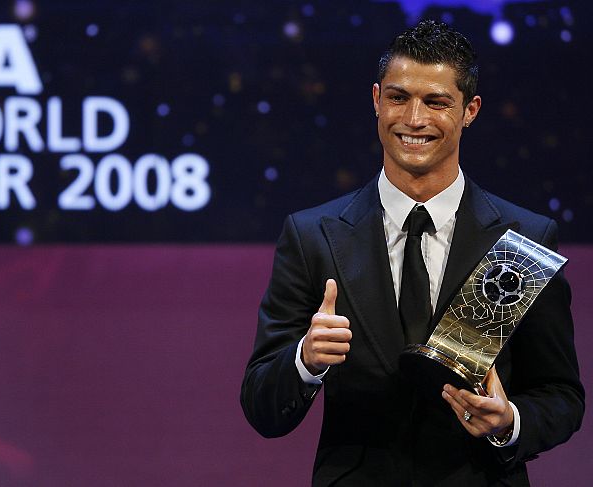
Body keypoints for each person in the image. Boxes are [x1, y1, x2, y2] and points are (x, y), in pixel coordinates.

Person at [240, 20, 584, 486]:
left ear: (470, 110)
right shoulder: (311, 236)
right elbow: (262, 405)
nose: (414, 119)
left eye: (437, 102)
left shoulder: (524, 238)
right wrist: (305, 360)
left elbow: (560, 394)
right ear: (377, 100)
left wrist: (509, 423)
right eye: (399, 98)